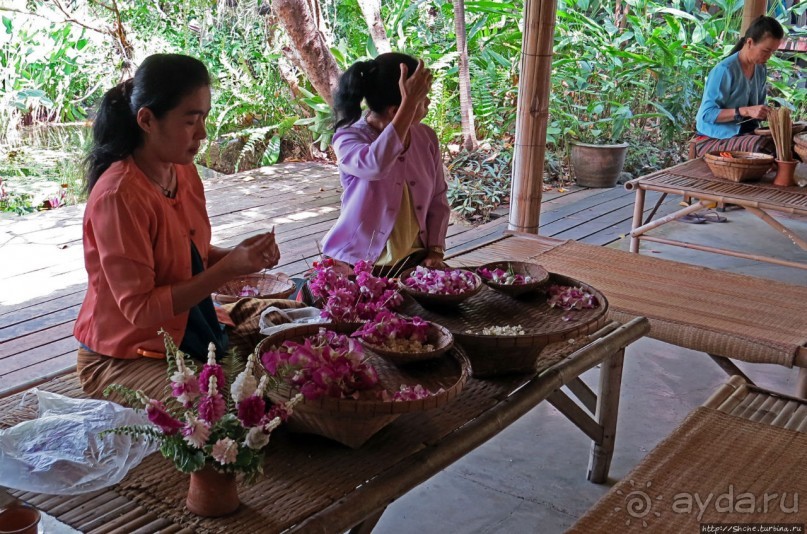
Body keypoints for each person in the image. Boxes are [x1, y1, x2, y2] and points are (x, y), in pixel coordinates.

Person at [74, 54, 283, 400]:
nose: (202, 133)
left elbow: (190, 259)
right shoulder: (119, 196)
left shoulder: (181, 170)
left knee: (291, 326)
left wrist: (239, 257)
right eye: (190, 120)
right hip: (126, 355)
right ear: (147, 120)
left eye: (204, 118)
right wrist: (227, 270)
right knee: (223, 406)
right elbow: (140, 310)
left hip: (191, 324)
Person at [320, 52, 451, 275]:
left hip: (414, 263)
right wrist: (408, 105)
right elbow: (375, 166)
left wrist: (435, 249)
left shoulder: (426, 137)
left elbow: (438, 198)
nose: (428, 102)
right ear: (394, 111)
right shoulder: (348, 138)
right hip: (358, 266)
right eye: (422, 98)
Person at [694, 16, 784, 158]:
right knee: (762, 147)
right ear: (750, 42)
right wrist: (745, 111)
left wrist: (769, 114)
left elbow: (758, 108)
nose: (769, 56)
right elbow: (706, 115)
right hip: (713, 139)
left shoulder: (760, 69)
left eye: (772, 52)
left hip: (744, 135)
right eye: (766, 51)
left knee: (787, 142)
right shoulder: (725, 71)